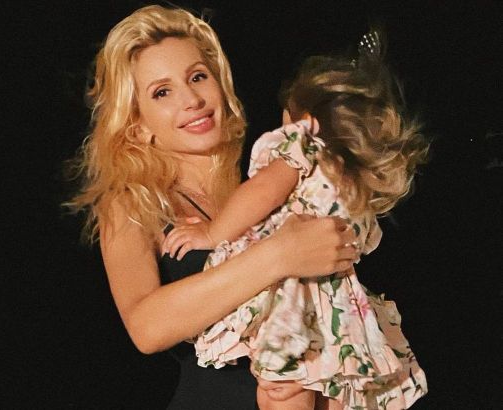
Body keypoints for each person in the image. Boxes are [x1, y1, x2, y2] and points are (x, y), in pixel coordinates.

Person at [68, 4, 362, 409]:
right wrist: (278, 255)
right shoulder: (133, 203)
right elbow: (146, 327)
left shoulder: (266, 182)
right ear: (138, 125)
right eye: (162, 92)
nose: (191, 99)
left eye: (197, 77)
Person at [162, 31, 429, 409]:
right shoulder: (354, 186)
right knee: (323, 388)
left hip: (292, 298)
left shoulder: (300, 145)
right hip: (336, 310)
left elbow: (263, 192)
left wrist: (211, 232)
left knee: (280, 389)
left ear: (304, 121)